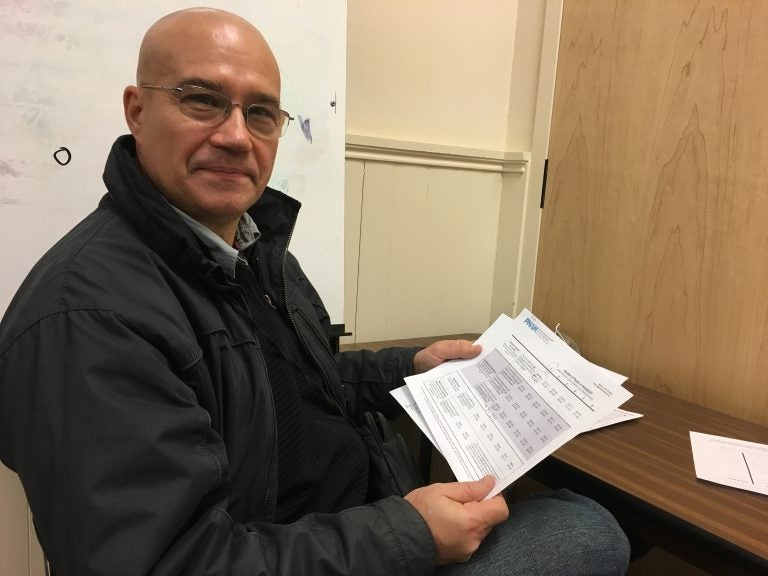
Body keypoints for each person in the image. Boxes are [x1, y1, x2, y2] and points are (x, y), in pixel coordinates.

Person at [0, 7, 630, 576]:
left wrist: (406, 368)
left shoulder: (247, 246)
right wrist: (408, 536)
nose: (236, 136)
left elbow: (292, 389)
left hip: (354, 524)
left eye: (261, 113)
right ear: (137, 110)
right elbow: (167, 563)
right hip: (341, 547)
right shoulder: (86, 319)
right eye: (202, 100)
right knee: (584, 526)